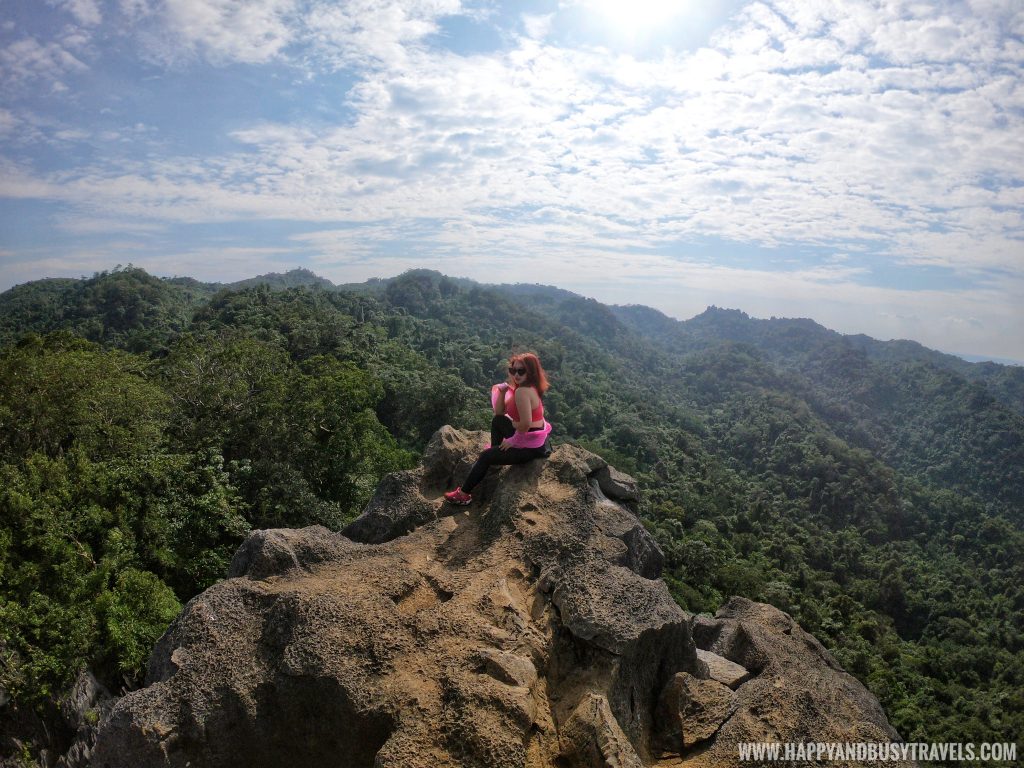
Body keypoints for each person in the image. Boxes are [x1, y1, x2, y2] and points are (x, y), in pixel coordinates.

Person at [444, 352, 551, 505]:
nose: (516, 375)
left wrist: (513, 440)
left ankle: (463, 495)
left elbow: (526, 424)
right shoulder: (523, 388)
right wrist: (502, 392)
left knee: (485, 456)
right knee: (498, 421)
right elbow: (500, 413)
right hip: (534, 438)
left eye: (521, 371)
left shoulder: (523, 392)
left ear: (531, 372)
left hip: (530, 446)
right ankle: (496, 454)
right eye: (513, 370)